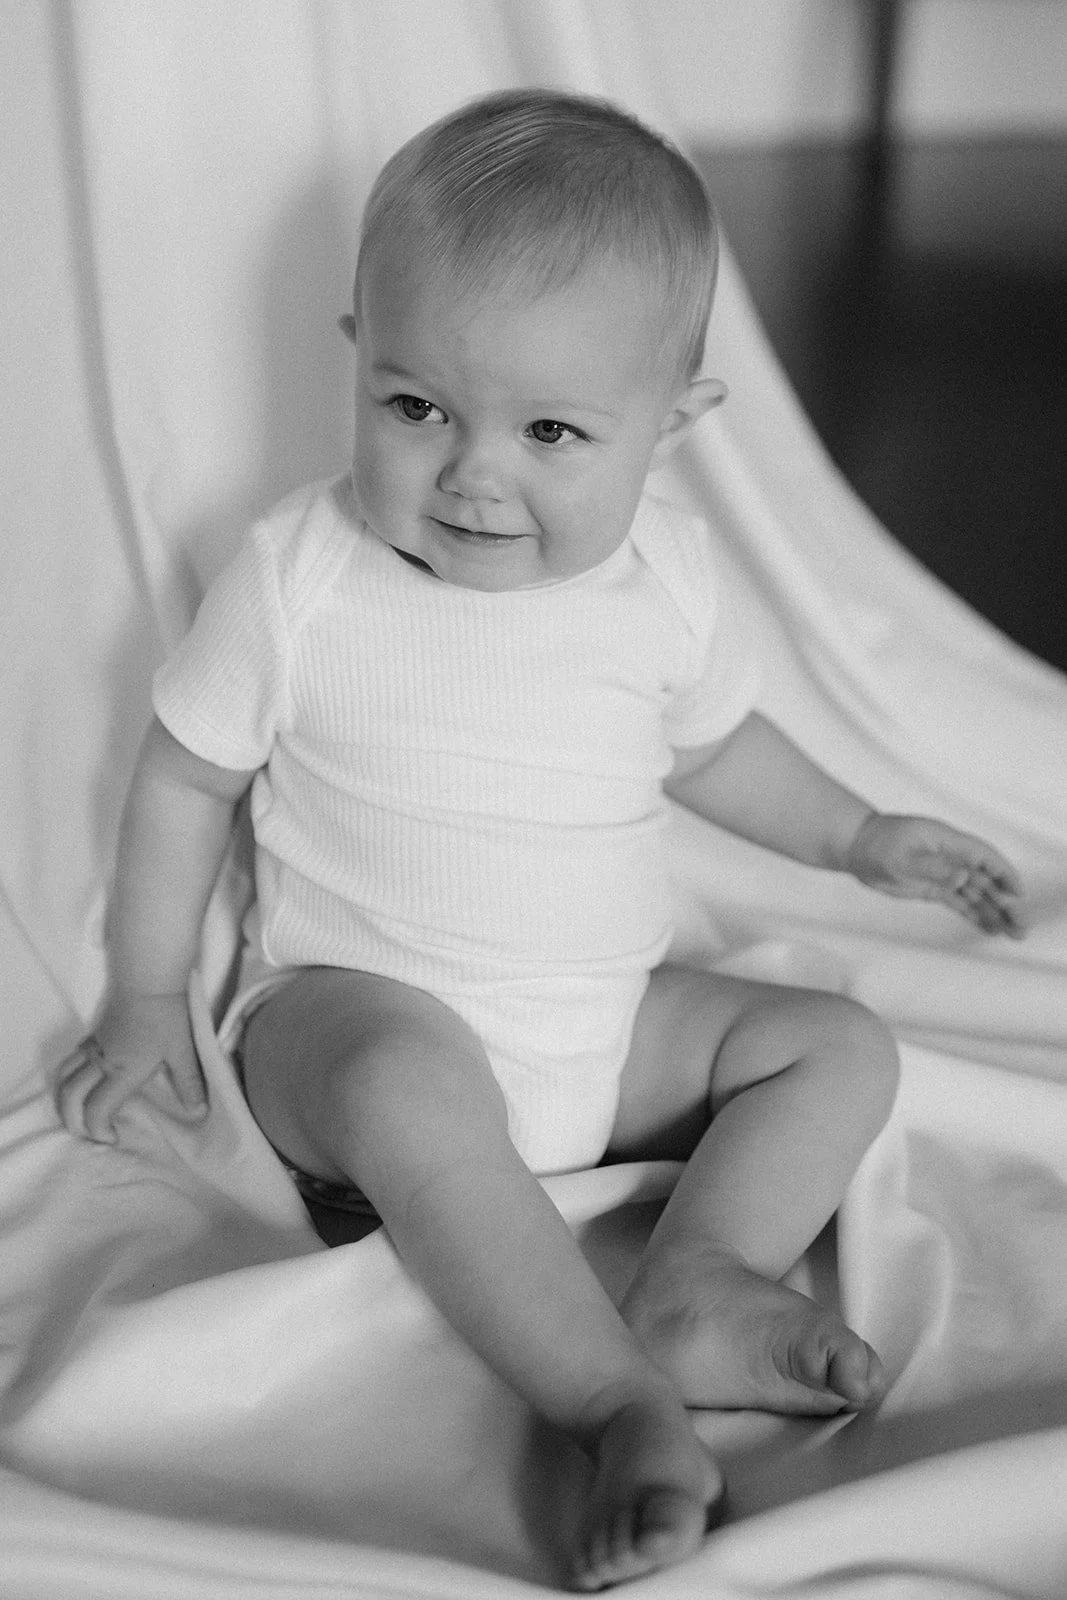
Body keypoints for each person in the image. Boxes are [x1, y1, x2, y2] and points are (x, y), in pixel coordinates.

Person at [57, 90, 1024, 1591]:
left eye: (551, 430)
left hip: (597, 1031)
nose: (471, 475)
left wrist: (855, 835)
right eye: (415, 405)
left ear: (674, 427)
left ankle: (703, 1274)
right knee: (400, 1076)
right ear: (357, 359)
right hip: (348, 1023)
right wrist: (137, 994)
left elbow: (709, 748)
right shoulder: (301, 580)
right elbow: (183, 780)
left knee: (832, 1047)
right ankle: (612, 1400)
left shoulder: (663, 585)